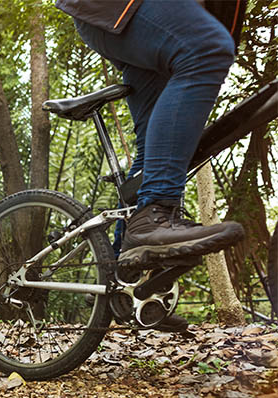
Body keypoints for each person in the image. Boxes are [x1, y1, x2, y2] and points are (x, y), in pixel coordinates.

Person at [55, 0, 246, 331]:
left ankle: (119, 282)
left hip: (136, 11)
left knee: (154, 155)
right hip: (119, 7)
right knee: (207, 49)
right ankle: (154, 213)